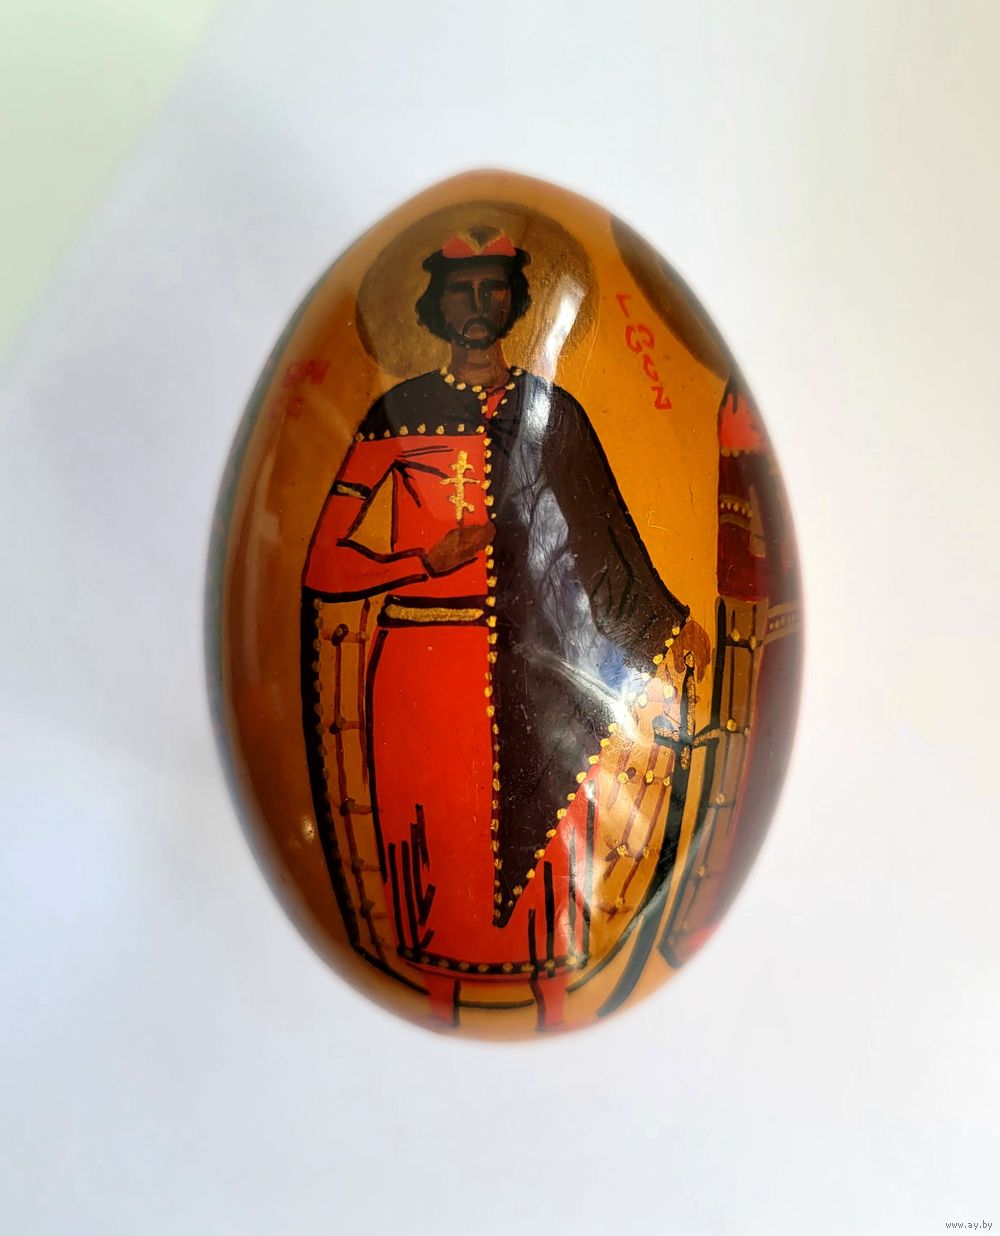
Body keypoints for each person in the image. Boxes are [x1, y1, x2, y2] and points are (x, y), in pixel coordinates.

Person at [302, 227, 705, 1027]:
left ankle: (554, 1006)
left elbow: (605, 539)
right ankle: (438, 1011)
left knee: (553, 855)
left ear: (515, 301)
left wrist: (666, 624)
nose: (478, 306)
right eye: (462, 290)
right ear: (435, 305)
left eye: (494, 289)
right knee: (435, 851)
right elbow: (324, 564)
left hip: (542, 664)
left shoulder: (556, 412)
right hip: (426, 667)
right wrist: (422, 560)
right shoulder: (397, 413)